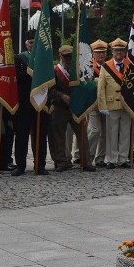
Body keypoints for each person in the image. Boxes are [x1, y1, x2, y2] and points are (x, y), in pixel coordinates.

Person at [48, 45, 95, 173]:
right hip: (59, 107)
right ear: (60, 57)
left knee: (82, 134)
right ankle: (61, 162)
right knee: (59, 136)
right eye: (66, 57)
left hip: (76, 107)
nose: (68, 59)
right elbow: (49, 89)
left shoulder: (78, 70)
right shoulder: (54, 71)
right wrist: (61, 96)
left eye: (70, 57)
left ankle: (86, 162)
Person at [13, 32, 50, 175]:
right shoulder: (19, 58)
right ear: (25, 44)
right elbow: (16, 77)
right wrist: (32, 73)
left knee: (40, 136)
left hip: (41, 101)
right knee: (21, 135)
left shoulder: (45, 59)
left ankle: (40, 165)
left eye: (35, 42)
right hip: (24, 102)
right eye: (30, 42)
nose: (32, 45)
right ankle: (20, 165)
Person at [98, 38, 130, 169]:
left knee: (125, 133)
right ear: (112, 51)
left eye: (121, 50)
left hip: (127, 105)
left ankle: (123, 159)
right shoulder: (106, 66)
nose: (119, 53)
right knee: (111, 133)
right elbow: (101, 88)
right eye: (117, 50)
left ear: (124, 52)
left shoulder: (130, 65)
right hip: (111, 105)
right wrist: (102, 105)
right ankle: (111, 159)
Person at [86, 40, 108, 167]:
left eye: (103, 52)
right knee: (95, 130)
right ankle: (88, 156)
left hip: (106, 104)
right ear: (93, 54)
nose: (100, 55)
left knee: (105, 132)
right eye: (98, 53)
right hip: (93, 104)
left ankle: (100, 159)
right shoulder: (88, 67)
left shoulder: (109, 66)